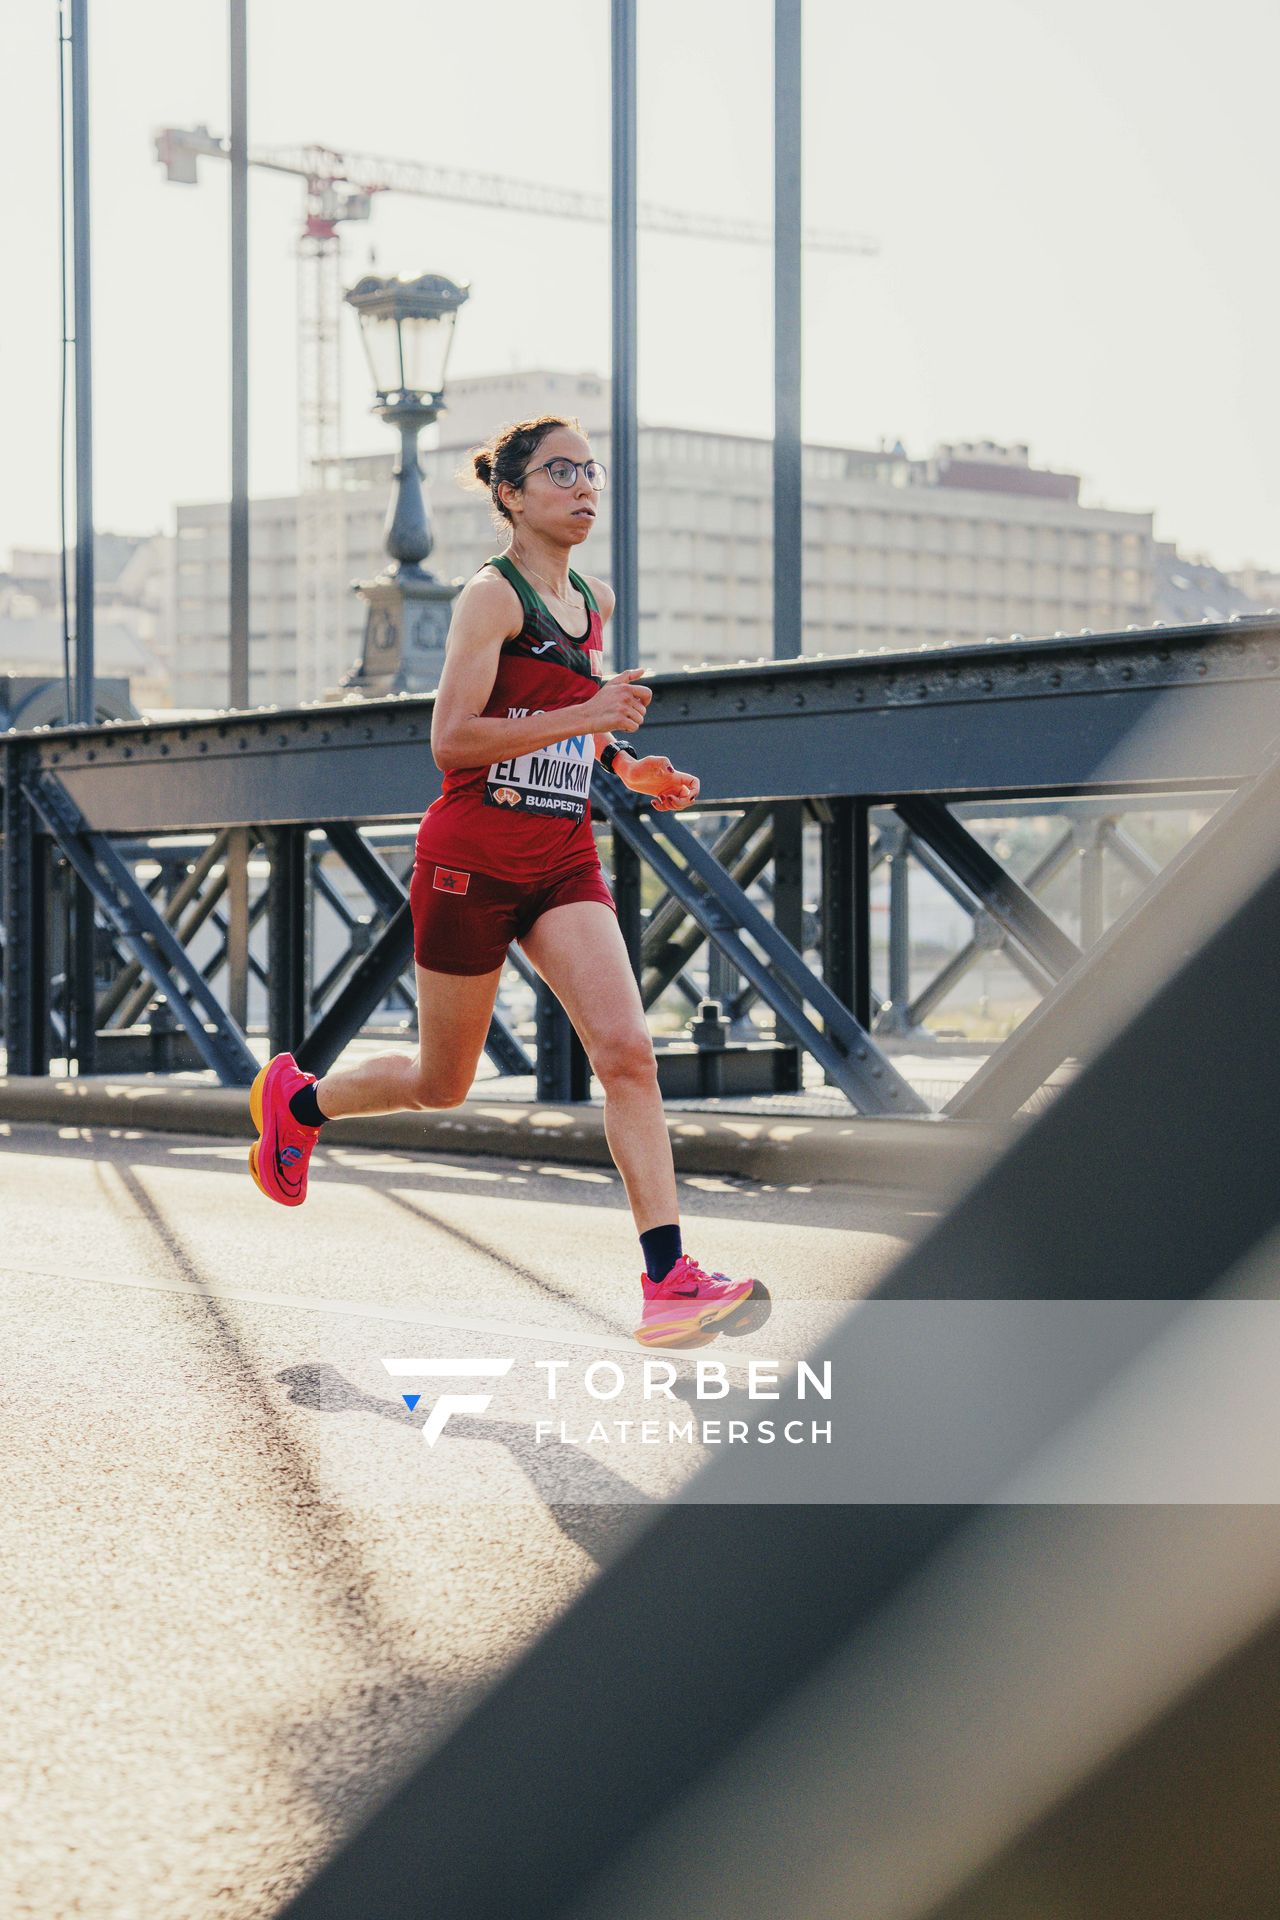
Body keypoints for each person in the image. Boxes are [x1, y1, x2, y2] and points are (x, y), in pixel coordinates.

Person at [248, 412, 760, 1349]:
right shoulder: (492, 597)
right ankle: (299, 1102)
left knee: (628, 1054)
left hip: (562, 855)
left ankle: (668, 1279)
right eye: (559, 471)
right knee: (444, 1083)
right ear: (512, 495)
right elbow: (454, 740)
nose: (582, 485)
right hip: (470, 862)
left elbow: (567, 716)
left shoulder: (590, 602)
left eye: (589, 469)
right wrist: (593, 712)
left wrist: (626, 764)